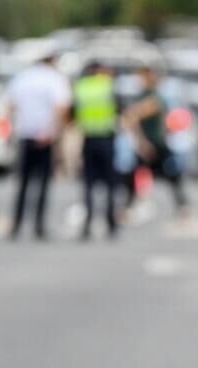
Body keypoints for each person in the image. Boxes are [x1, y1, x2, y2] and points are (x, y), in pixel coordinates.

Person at [7, 53, 71, 241]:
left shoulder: (23, 77)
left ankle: (16, 225)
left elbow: (10, 104)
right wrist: (52, 131)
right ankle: (39, 226)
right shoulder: (54, 79)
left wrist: (15, 128)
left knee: (23, 183)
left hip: (25, 135)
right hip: (45, 137)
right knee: (42, 184)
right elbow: (61, 107)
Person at [122, 65, 189, 217]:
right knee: (136, 176)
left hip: (157, 143)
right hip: (151, 144)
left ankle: (182, 206)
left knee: (171, 175)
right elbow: (133, 116)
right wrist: (142, 141)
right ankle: (127, 207)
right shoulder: (149, 97)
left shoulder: (154, 96)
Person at [73, 60, 119, 241]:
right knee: (110, 184)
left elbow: (75, 112)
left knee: (89, 185)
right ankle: (111, 223)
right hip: (106, 138)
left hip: (88, 139)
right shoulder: (107, 85)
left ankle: (88, 224)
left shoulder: (81, 87)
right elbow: (118, 110)